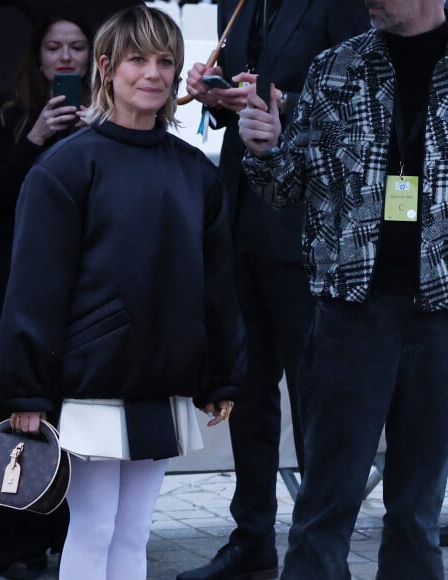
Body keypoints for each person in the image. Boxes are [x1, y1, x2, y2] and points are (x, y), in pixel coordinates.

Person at [0, 5, 246, 580]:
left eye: (165, 61)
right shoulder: (64, 167)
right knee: (95, 527)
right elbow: (34, 287)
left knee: (133, 533)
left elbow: (216, 283)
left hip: (163, 379)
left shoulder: (195, 173)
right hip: (92, 382)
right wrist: (25, 390)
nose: (153, 73)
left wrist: (221, 374)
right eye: (137, 60)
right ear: (106, 67)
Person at [238, 0, 448, 578]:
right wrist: (263, 150)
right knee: (325, 501)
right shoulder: (337, 67)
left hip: (440, 310)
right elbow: (287, 189)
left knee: (417, 507)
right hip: (349, 309)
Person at [177, 2, 370, 579]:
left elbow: (357, 92)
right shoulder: (233, 4)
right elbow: (243, 93)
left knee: (316, 396)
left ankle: (319, 550)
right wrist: (214, 97)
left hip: (308, 223)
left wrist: (280, 102)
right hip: (240, 217)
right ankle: (252, 536)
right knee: (246, 389)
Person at [0, 7, 94, 579]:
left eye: (76, 47)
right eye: (55, 48)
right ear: (38, 57)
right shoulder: (10, 116)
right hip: (17, 285)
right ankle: (13, 540)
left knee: (74, 420)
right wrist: (34, 138)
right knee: (22, 416)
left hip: (82, 293)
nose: (65, 58)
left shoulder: (105, 121)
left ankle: (64, 536)